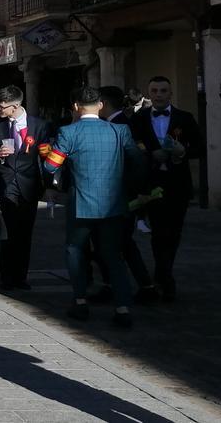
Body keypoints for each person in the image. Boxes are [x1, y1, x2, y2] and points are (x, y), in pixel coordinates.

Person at [43, 86, 145, 328]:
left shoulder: (68, 132)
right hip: (113, 205)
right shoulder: (119, 130)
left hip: (81, 205)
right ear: (100, 105)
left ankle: (80, 301)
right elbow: (138, 161)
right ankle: (122, 306)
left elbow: (50, 166)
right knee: (113, 255)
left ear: (76, 107)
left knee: (75, 251)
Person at [127, 76, 201, 301]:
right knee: (159, 230)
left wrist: (182, 152)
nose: (158, 95)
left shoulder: (184, 118)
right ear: (149, 93)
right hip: (150, 182)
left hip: (177, 183)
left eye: (163, 91)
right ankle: (164, 276)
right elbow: (131, 144)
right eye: (154, 91)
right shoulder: (139, 118)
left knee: (174, 231)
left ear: (170, 93)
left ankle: (163, 273)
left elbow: (199, 147)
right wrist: (149, 153)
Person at [88, 86, 158, 303]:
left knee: (116, 243)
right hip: (119, 194)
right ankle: (137, 285)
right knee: (120, 243)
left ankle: (135, 287)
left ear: (103, 104)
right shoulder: (119, 123)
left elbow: (136, 160)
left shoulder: (119, 126)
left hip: (118, 195)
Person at [0, 85, 54, 291]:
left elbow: (45, 156)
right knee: (8, 229)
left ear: (16, 105)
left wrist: (49, 185)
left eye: (2, 107)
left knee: (25, 232)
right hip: (8, 181)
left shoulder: (40, 126)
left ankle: (20, 276)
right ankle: (5, 274)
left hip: (29, 184)